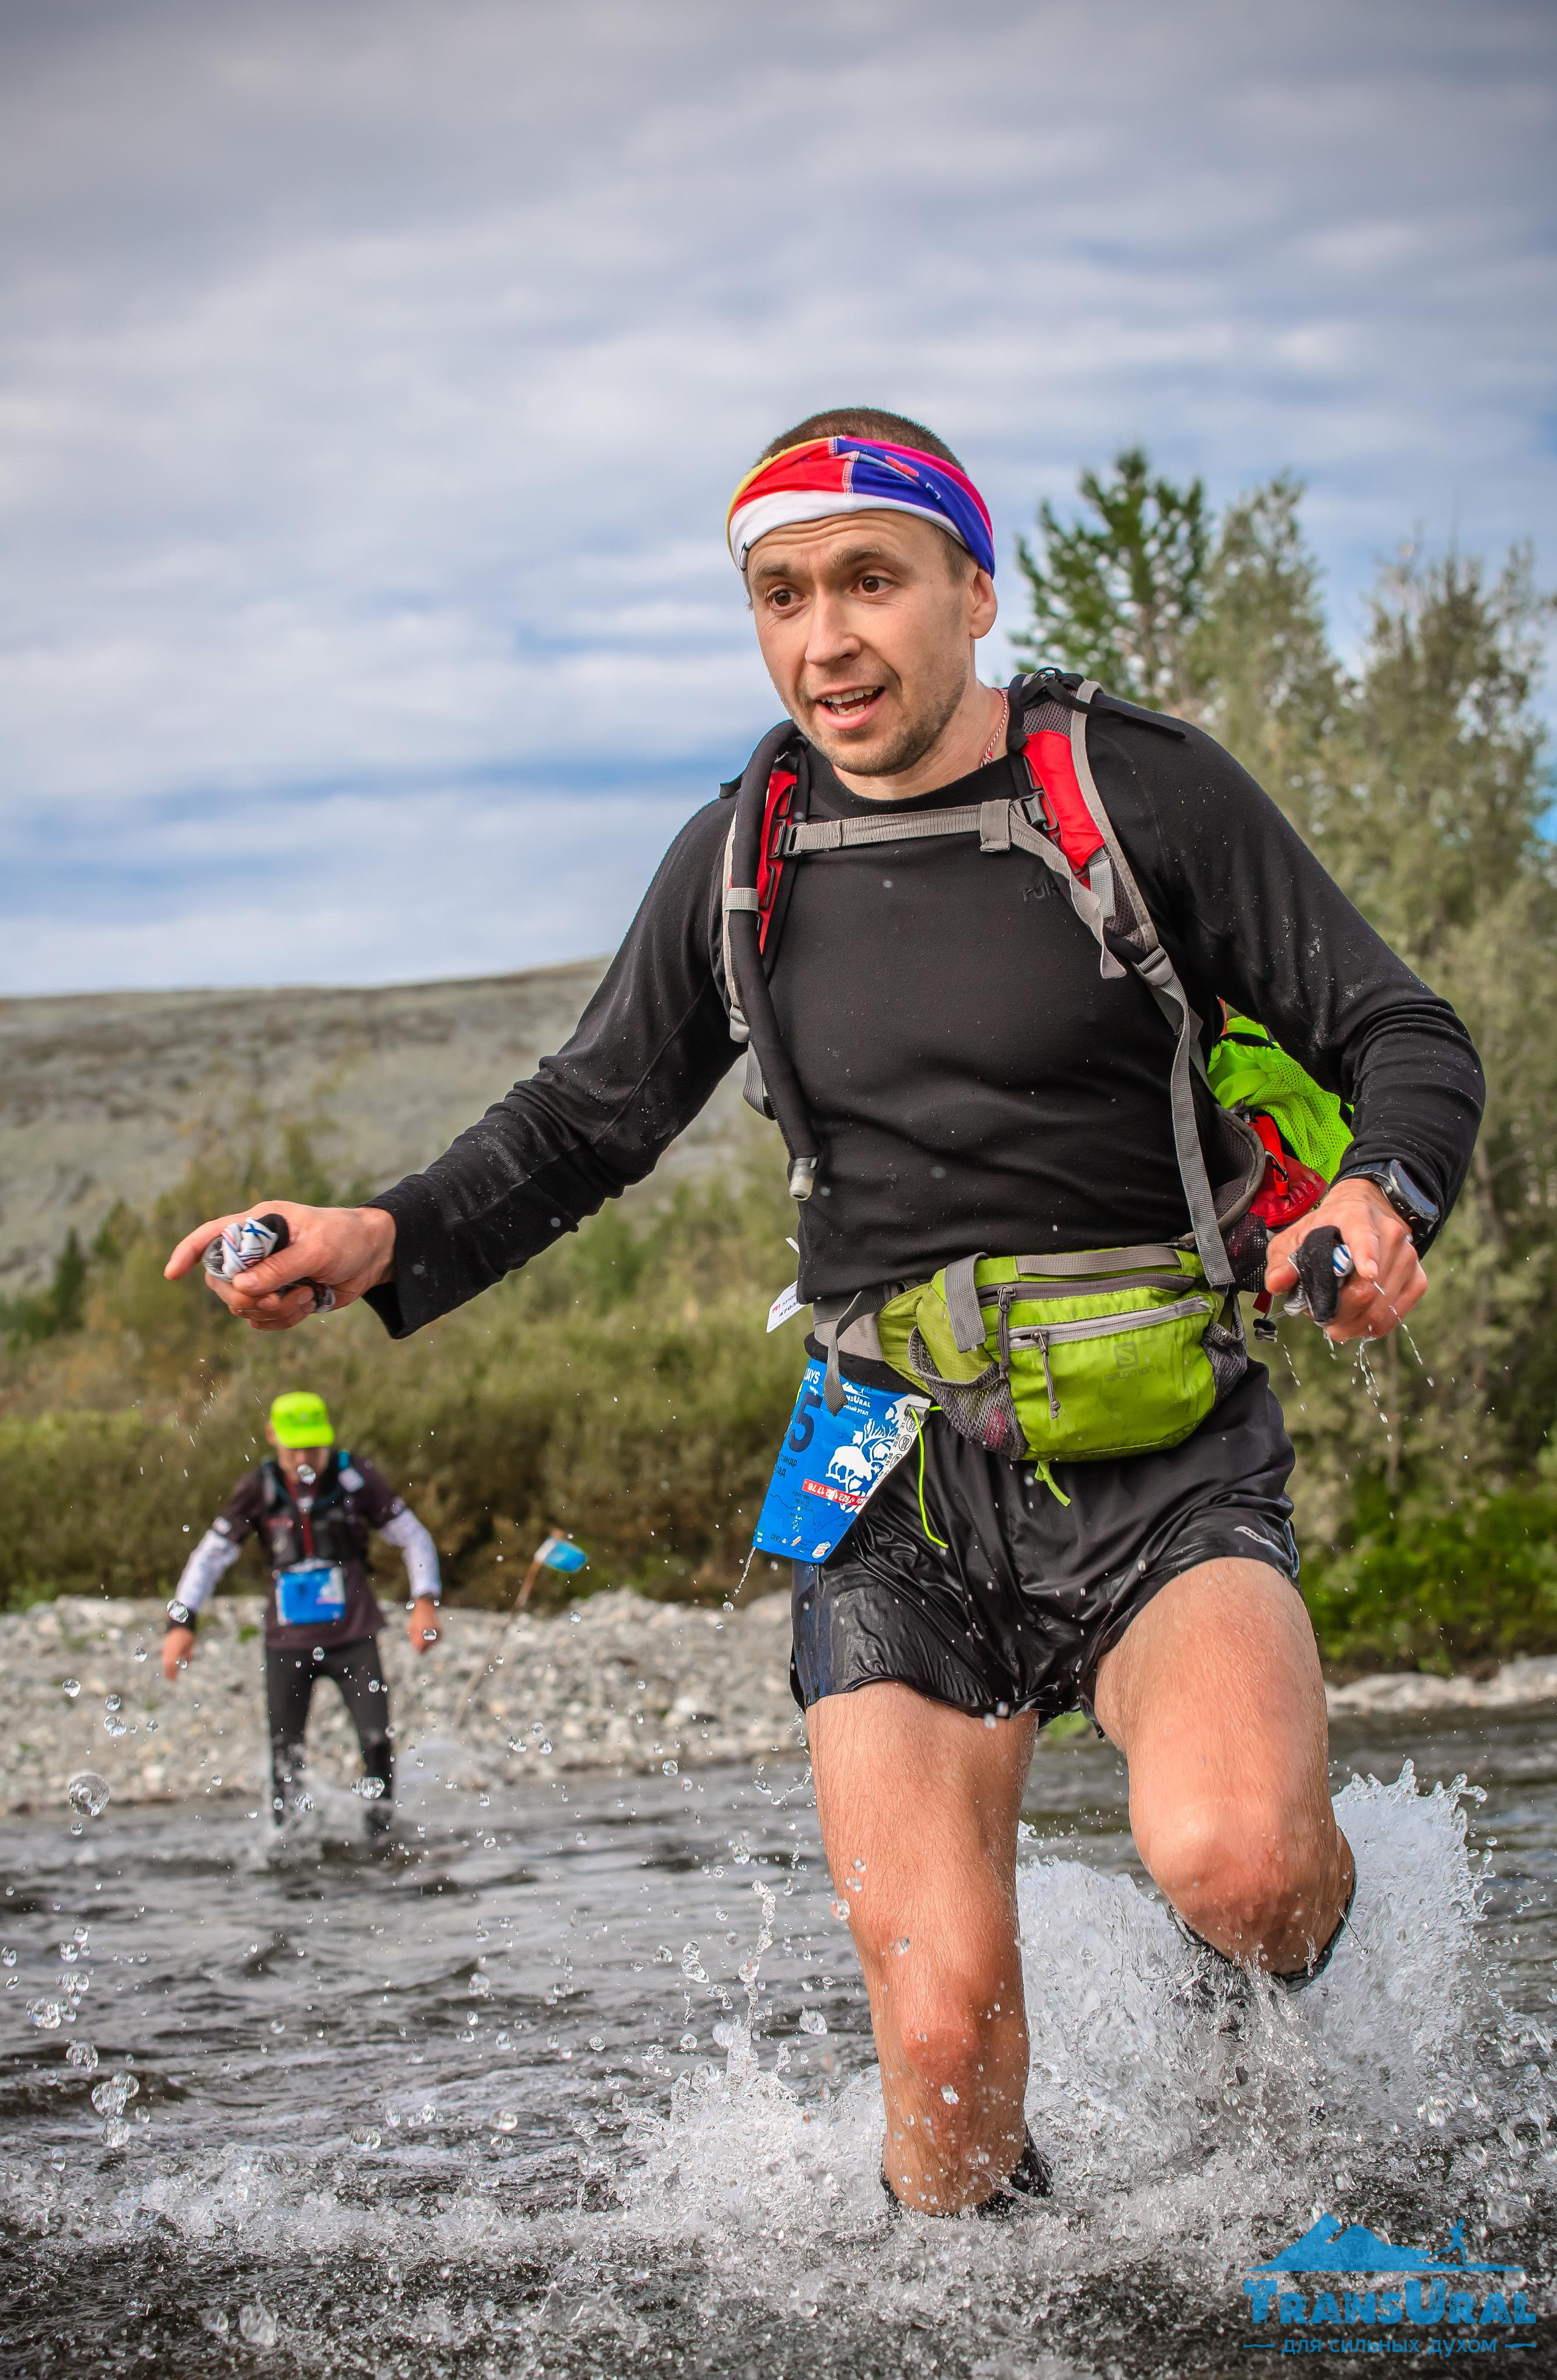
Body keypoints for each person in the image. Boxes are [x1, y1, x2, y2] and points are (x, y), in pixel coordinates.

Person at [165, 409, 1483, 2213]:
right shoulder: (743, 851)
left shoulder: (1132, 791)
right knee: (940, 2060)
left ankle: (1255, 1996)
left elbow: (1404, 1035)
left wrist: (1374, 1193)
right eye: (779, 594)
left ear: (968, 586)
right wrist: (377, 1230)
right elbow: (582, 1121)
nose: (822, 636)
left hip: (1156, 1437)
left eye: (869, 579)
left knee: (1243, 1865)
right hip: (878, 1456)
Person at [162, 1389, 443, 1832]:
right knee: (285, 1753)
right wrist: (182, 1622)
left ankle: (381, 1835)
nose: (306, 1456)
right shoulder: (258, 1489)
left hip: (354, 1639)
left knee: (376, 1743)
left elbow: (414, 1537)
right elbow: (210, 1557)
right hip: (287, 1645)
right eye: (296, 1447)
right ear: (272, 1437)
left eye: (314, 1446)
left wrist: (424, 1601)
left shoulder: (356, 1478)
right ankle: (288, 1847)